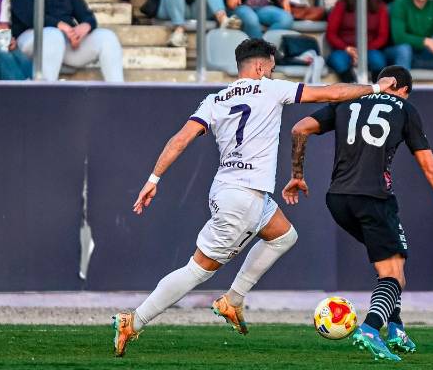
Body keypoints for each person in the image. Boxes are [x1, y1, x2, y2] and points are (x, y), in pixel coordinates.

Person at [112, 38, 399, 357]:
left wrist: (154, 178)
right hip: (243, 199)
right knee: (199, 269)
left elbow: (180, 139)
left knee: (283, 235)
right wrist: (375, 88)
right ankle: (132, 321)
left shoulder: (215, 98)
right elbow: (331, 93)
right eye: (272, 68)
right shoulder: (272, 89)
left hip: (232, 189)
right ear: (260, 66)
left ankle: (232, 300)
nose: (273, 73)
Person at [283, 65, 433, 362]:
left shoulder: (348, 99)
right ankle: (370, 328)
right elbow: (430, 167)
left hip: (338, 199)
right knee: (393, 272)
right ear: (402, 88)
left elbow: (299, 128)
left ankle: (395, 328)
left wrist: (297, 175)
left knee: (393, 265)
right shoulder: (405, 109)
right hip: (373, 197)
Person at [327, 0, 401, 82]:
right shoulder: (342, 4)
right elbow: (331, 33)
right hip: (345, 49)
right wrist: (347, 48)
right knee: (337, 60)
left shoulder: (380, 6)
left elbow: (382, 36)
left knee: (378, 60)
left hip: (370, 49)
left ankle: (376, 91)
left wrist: (364, 50)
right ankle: (351, 88)